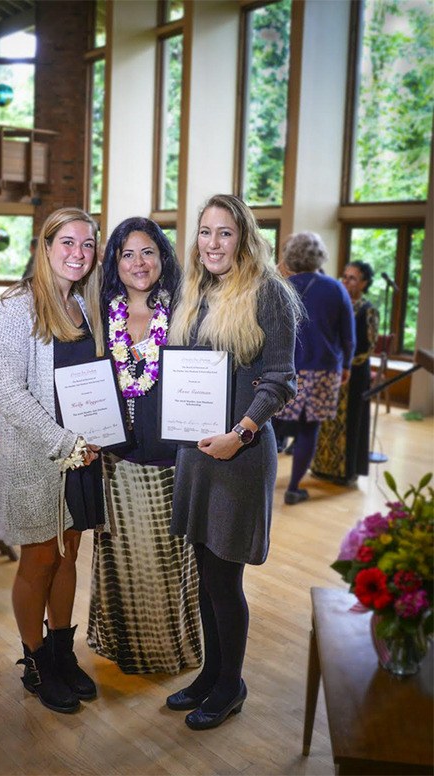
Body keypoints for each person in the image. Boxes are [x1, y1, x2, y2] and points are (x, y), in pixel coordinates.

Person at [166, 194, 300, 731]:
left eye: (224, 233)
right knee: (205, 575)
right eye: (204, 232)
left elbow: (280, 380)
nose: (213, 243)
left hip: (238, 455)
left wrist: (239, 434)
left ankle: (230, 686)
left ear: (244, 237)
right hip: (197, 454)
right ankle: (210, 674)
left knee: (226, 580)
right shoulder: (195, 292)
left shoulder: (271, 294)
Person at [0, 207, 106, 714]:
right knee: (38, 559)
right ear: (46, 245)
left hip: (82, 457)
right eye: (68, 243)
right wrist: (63, 443)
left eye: (87, 245)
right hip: (40, 458)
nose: (78, 253)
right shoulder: (19, 305)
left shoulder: (84, 304)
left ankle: (62, 652)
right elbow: (9, 393)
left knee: (69, 554)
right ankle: (35, 661)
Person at [87, 217, 202, 674]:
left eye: (148, 252)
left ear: (163, 257)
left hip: (171, 458)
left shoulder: (184, 313)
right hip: (115, 458)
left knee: (168, 560)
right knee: (123, 558)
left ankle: (170, 649)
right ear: (115, 261)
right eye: (128, 253)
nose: (139, 263)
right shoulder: (100, 312)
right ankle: (127, 647)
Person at [273, 231, 356, 505]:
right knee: (310, 428)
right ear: (320, 255)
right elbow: (348, 336)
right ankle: (294, 488)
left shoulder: (282, 287)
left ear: (290, 257)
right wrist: (346, 366)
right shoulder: (335, 289)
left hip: (288, 367)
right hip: (324, 369)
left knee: (274, 423)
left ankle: (264, 481)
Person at [311, 260, 380, 485]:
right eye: (345, 276)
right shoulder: (337, 303)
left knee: (350, 422)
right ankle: (322, 467)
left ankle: (345, 472)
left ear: (364, 283)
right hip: (329, 371)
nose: (346, 281)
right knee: (325, 422)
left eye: (352, 278)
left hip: (354, 375)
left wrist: (345, 364)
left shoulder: (368, 310)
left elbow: (368, 347)